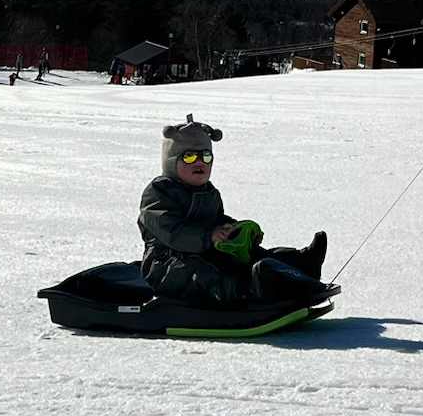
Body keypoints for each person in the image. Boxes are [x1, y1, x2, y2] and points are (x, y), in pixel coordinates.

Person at [139, 116, 329, 305]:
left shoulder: (209, 192)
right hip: (166, 266)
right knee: (206, 273)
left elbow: (217, 219)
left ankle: (301, 266)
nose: (199, 163)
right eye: (189, 157)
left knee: (253, 255)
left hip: (206, 252)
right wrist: (208, 235)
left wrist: (236, 231)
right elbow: (170, 230)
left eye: (206, 156)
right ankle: (247, 292)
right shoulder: (158, 193)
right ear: (172, 162)